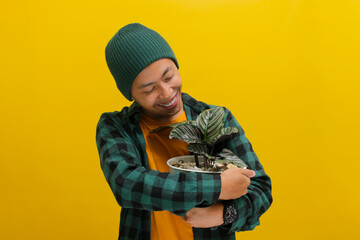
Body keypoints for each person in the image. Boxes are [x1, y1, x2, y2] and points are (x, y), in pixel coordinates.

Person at [96, 23, 272, 240]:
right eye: (150, 89)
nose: (166, 92)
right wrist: (217, 186)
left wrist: (225, 213)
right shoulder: (116, 127)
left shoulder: (216, 119)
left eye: (168, 77)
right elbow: (127, 183)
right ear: (130, 94)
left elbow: (260, 188)